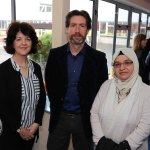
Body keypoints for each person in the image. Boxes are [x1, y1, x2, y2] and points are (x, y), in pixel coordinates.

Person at [45, 10, 108, 150]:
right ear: (67, 29)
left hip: (85, 120)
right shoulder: (55, 55)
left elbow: (102, 90)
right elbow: (50, 85)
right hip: (59, 118)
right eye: (73, 25)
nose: (77, 30)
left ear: (88, 30)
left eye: (82, 26)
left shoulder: (99, 59)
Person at [90, 48, 150, 150]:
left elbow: (145, 125)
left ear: (135, 64)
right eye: (117, 64)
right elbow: (94, 113)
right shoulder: (106, 85)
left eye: (127, 63)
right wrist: (101, 141)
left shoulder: (146, 91)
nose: (122, 67)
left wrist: (125, 146)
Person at [0, 22, 46, 150]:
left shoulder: (36, 68)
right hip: (10, 135)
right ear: (12, 42)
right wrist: (19, 129)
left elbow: (41, 99)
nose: (24, 43)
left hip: (31, 133)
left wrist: (36, 123)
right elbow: (2, 106)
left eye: (28, 39)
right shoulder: (3, 70)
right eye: (18, 39)